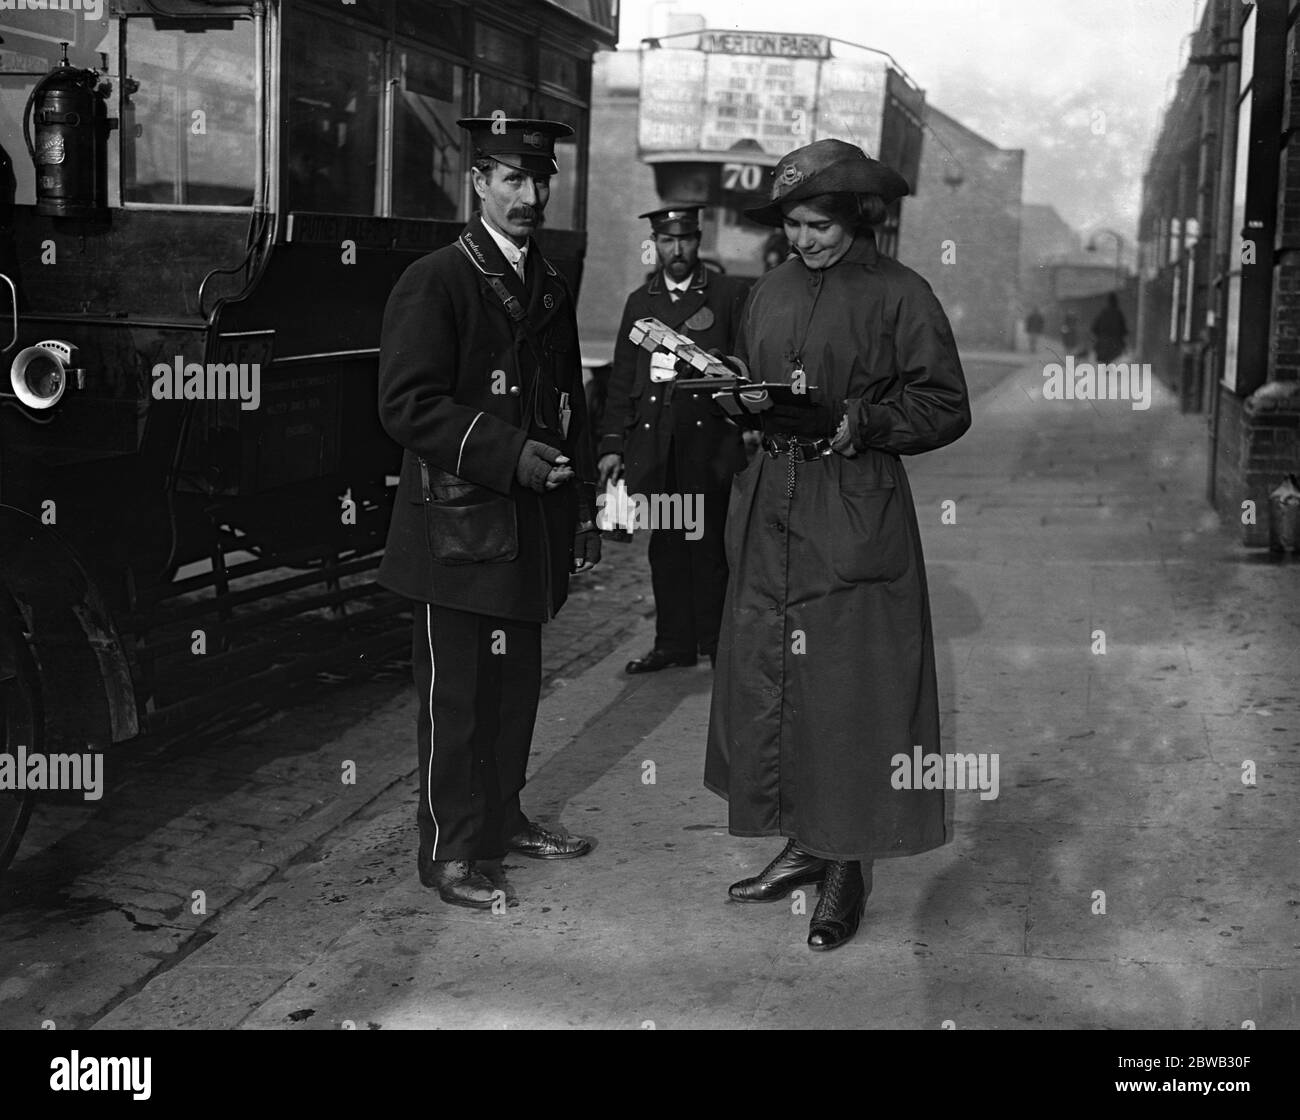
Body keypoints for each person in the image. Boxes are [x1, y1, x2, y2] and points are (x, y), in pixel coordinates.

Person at [703, 139, 971, 952]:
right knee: (780, 680)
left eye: (819, 223)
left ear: (854, 218)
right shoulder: (770, 291)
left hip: (853, 510)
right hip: (771, 508)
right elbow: (758, 381)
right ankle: (803, 843)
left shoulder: (901, 294)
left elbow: (946, 405)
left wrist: (862, 421)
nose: (805, 239)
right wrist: (737, 403)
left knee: (852, 686)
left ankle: (846, 865)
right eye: (792, 224)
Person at [376, 118, 599, 910]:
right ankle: (448, 852)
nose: (530, 196)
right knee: (457, 699)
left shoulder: (548, 282)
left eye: (541, 181)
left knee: (512, 694)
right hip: (457, 531)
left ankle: (501, 821)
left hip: (526, 528)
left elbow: (569, 400)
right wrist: (511, 454)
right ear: (476, 182)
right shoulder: (437, 279)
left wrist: (581, 514)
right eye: (512, 179)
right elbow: (406, 405)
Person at [598, 206, 748, 673]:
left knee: (708, 548)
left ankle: (718, 644)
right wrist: (610, 446)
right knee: (665, 548)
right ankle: (674, 644)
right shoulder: (640, 302)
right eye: (666, 241)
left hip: (708, 448)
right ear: (655, 243)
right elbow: (622, 379)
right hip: (659, 447)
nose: (676, 251)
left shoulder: (727, 295)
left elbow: (745, 364)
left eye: (684, 240)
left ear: (697, 240)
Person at [1090, 292, 1128, 363]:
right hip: (1115, 343)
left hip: (1103, 342)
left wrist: (1099, 336)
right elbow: (1123, 330)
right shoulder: (1118, 313)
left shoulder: (1103, 313)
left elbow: (1094, 328)